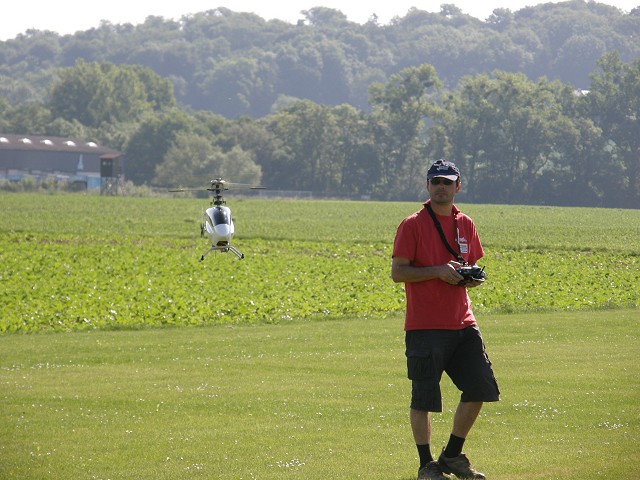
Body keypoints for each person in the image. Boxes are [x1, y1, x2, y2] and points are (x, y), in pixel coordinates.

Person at [391, 159, 500, 480]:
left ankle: (452, 455)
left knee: (481, 388)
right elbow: (398, 272)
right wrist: (437, 271)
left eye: (447, 182)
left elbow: (472, 265)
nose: (441, 186)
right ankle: (426, 465)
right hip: (425, 325)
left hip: (463, 322)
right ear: (427, 186)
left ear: (458, 187)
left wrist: (472, 278)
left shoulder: (465, 223)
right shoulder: (411, 224)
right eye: (435, 181)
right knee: (424, 398)